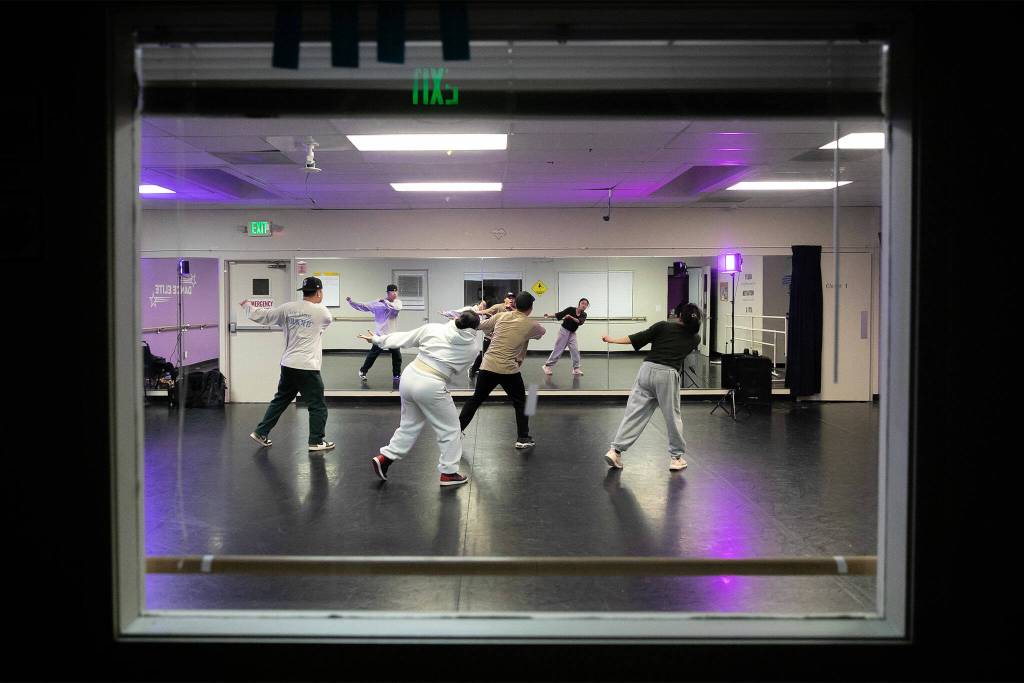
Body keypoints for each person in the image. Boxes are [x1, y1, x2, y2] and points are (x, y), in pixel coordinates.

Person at [359, 311, 483, 487]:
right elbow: (458, 370)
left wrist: (377, 340)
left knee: (408, 425)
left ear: (456, 319)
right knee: (450, 429)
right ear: (475, 330)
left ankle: (385, 458)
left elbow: (404, 338)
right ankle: (448, 473)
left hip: (410, 376)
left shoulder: (433, 329)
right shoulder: (473, 348)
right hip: (432, 383)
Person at [601, 302, 702, 471]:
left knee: (634, 413)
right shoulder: (695, 338)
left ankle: (615, 451)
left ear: (679, 316)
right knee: (672, 417)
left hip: (646, 370)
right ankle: (676, 458)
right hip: (667, 374)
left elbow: (638, 337)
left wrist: (612, 340)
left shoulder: (663, 326)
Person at [241, 276, 335, 452]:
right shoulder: (323, 313)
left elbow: (265, 316)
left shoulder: (287, 308)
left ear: (303, 292)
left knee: (281, 400)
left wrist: (248, 306)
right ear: (319, 292)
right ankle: (316, 441)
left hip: (288, 364)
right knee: (317, 405)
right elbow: (324, 324)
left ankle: (261, 432)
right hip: (307, 366)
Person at [458, 291, 546, 448]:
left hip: (488, 366)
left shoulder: (500, 316)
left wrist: (462, 318)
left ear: (515, 304)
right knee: (521, 402)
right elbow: (541, 333)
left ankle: (456, 432)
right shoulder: (532, 325)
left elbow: (479, 325)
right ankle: (523, 438)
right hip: (508, 370)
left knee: (476, 399)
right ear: (530, 308)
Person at [347, 284, 402, 381]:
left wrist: (385, 302)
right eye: (392, 292)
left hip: (392, 336)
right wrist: (351, 302)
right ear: (388, 293)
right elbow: (363, 306)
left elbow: (395, 310)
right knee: (373, 355)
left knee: (397, 356)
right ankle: (362, 371)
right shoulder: (377, 303)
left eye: (396, 292)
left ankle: (396, 375)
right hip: (380, 335)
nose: (395, 294)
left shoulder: (398, 303)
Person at [465, 291, 516, 377]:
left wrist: (511, 308)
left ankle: (498, 373)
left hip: (505, 338)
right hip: (491, 336)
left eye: (513, 298)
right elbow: (485, 311)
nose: (511, 300)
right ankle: (473, 369)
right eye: (509, 298)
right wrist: (470, 314)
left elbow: (521, 316)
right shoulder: (498, 307)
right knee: (485, 354)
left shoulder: (516, 309)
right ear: (505, 299)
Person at [542, 297, 589, 375]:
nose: (584, 305)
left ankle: (576, 369)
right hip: (564, 331)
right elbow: (560, 314)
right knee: (558, 349)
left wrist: (571, 317)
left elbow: (579, 322)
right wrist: (549, 315)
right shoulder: (570, 309)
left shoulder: (584, 314)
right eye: (582, 303)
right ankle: (547, 366)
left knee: (575, 350)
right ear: (579, 304)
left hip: (572, 333)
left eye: (586, 304)